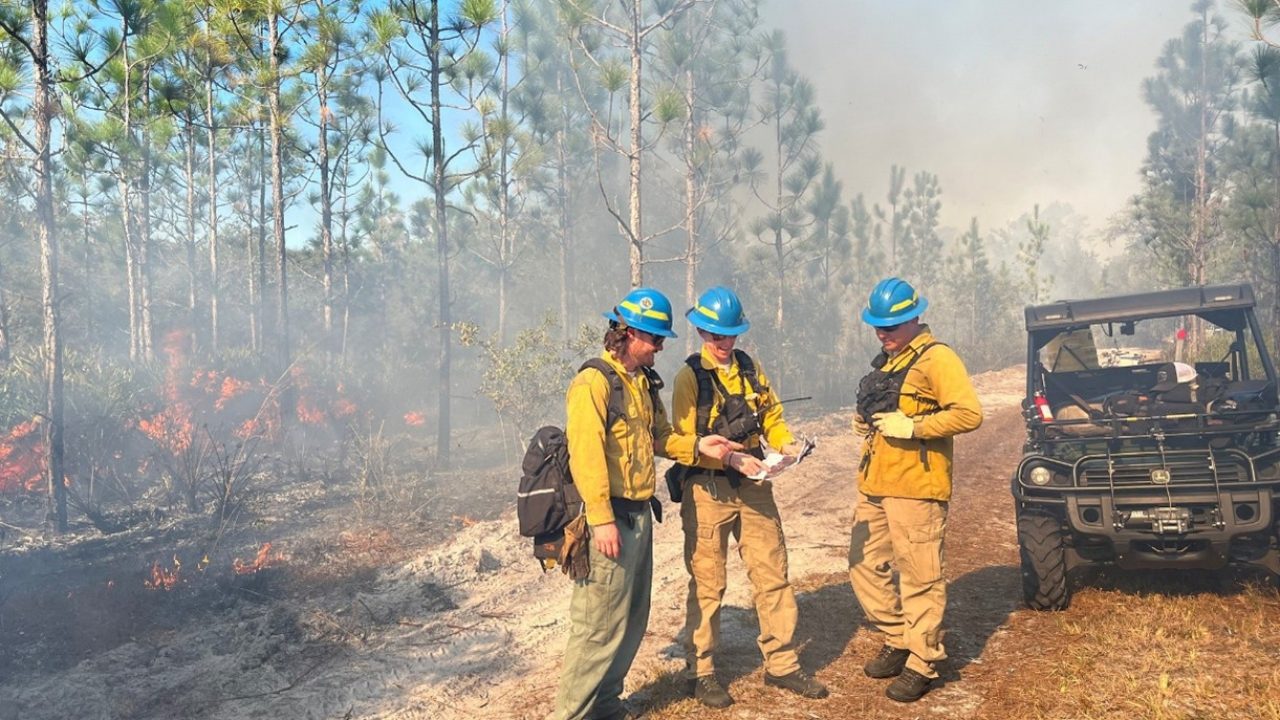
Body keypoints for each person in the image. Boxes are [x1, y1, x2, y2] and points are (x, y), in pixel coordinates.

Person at [551, 287, 741, 720]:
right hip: (609, 517)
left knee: (631, 617)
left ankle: (605, 704)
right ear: (629, 333)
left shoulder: (640, 383)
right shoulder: (593, 383)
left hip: (638, 515)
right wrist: (600, 520)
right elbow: (586, 454)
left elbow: (660, 437)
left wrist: (701, 446)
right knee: (597, 626)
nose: (661, 347)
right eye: (655, 339)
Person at [670, 286, 828, 708]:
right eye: (715, 336)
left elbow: (772, 415)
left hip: (755, 485)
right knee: (708, 583)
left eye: (730, 335)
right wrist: (730, 460)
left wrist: (785, 446)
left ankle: (782, 664)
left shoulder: (750, 367)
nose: (723, 344)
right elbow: (684, 440)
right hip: (708, 489)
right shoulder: (690, 377)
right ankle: (700, 671)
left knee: (772, 574)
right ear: (702, 331)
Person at [849, 277, 983, 703]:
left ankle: (923, 661)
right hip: (875, 483)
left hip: (916, 488)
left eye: (891, 326)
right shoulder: (886, 361)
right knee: (863, 564)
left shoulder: (937, 358)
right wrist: (864, 424)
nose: (882, 333)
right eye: (877, 326)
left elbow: (969, 413)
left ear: (914, 318)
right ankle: (899, 636)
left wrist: (916, 427)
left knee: (920, 575)